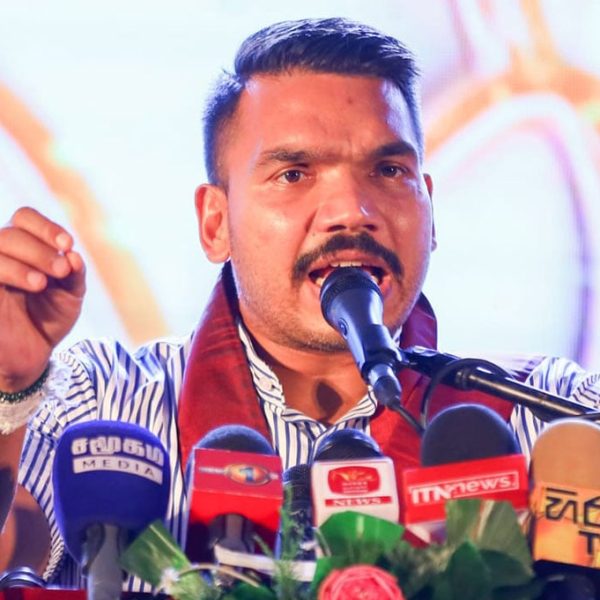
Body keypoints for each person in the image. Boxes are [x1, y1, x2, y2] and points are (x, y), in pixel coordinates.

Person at [0, 17, 597, 591]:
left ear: (430, 209)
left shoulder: (549, 424)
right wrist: (7, 385)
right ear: (215, 223)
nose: (352, 211)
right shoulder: (99, 406)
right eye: (294, 174)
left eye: (388, 170)